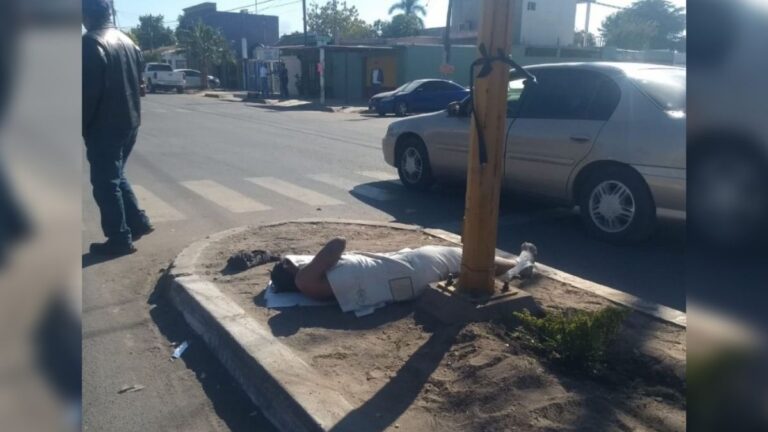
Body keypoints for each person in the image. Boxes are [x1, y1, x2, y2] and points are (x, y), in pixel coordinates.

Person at [270, 238, 520, 317]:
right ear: (292, 272)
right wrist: (305, 264)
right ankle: (520, 265)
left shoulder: (315, 283)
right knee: (462, 256)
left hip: (402, 278)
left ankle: (512, 266)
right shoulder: (306, 280)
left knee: (458, 260)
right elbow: (338, 243)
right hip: (408, 269)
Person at [83, 0, 153, 256]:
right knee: (116, 175)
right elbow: (139, 84)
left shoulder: (91, 43)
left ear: (87, 15)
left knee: (104, 182)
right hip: (130, 122)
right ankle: (137, 222)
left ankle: (119, 239)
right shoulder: (129, 43)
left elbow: (88, 94)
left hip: (105, 125)